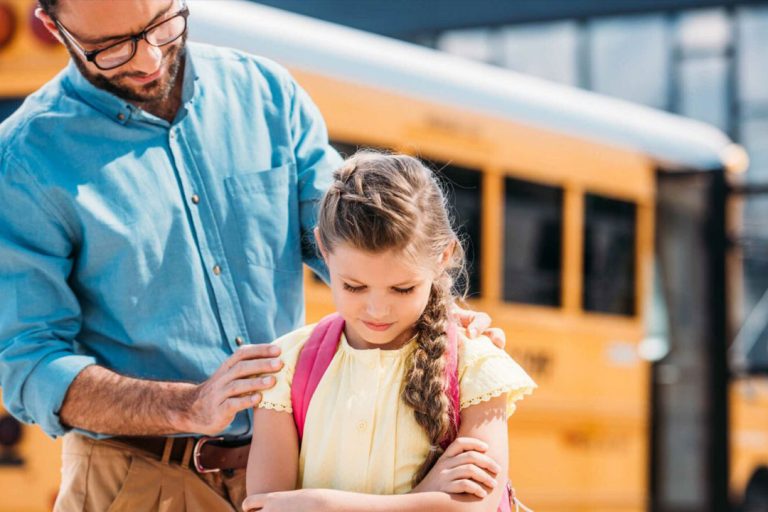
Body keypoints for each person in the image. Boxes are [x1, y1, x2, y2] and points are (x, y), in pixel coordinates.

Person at [0, 1, 503, 510]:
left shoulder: (267, 95)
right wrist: (187, 406)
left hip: (294, 471)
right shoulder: (24, 158)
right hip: (136, 479)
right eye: (110, 49)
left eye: (161, 25)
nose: (149, 59)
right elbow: (29, 363)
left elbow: (350, 240)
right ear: (53, 27)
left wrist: (432, 312)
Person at [242, 152, 536, 512]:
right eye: (354, 287)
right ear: (323, 249)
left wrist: (319, 504)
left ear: (443, 257)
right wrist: (422, 496)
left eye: (402, 289)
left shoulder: (475, 362)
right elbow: (262, 507)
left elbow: (474, 507)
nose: (377, 310)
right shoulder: (286, 364)